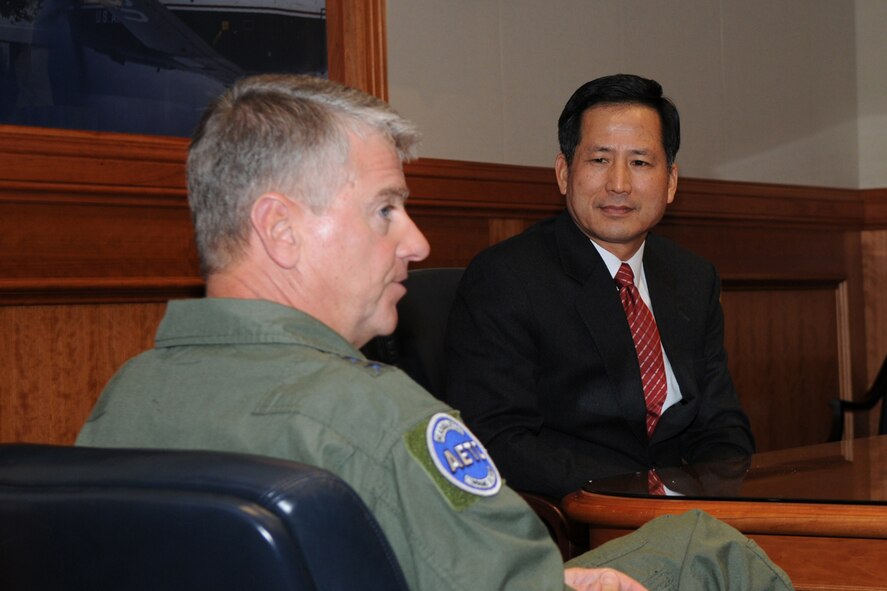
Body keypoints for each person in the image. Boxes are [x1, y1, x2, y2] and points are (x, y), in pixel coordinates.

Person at [77, 74, 790, 591]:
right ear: (280, 230)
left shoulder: (120, 403)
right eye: (385, 209)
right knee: (699, 546)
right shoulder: (382, 421)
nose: (416, 242)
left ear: (669, 180)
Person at [445, 74, 756, 500]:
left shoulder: (693, 277)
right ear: (563, 172)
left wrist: (711, 500)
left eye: (641, 162)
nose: (619, 185)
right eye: (599, 160)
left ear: (670, 182)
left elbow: (723, 427)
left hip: (692, 515)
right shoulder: (506, 278)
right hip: (579, 520)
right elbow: (498, 441)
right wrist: (643, 498)